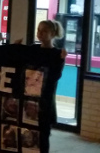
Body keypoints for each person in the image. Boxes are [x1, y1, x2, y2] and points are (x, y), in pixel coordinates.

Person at [30, 19, 66, 153]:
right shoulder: (32, 49)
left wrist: (62, 61)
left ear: (52, 33)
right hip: (30, 100)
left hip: (45, 101)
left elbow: (55, 77)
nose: (40, 33)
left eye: (44, 31)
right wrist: (15, 48)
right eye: (39, 30)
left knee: (43, 137)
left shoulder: (57, 54)